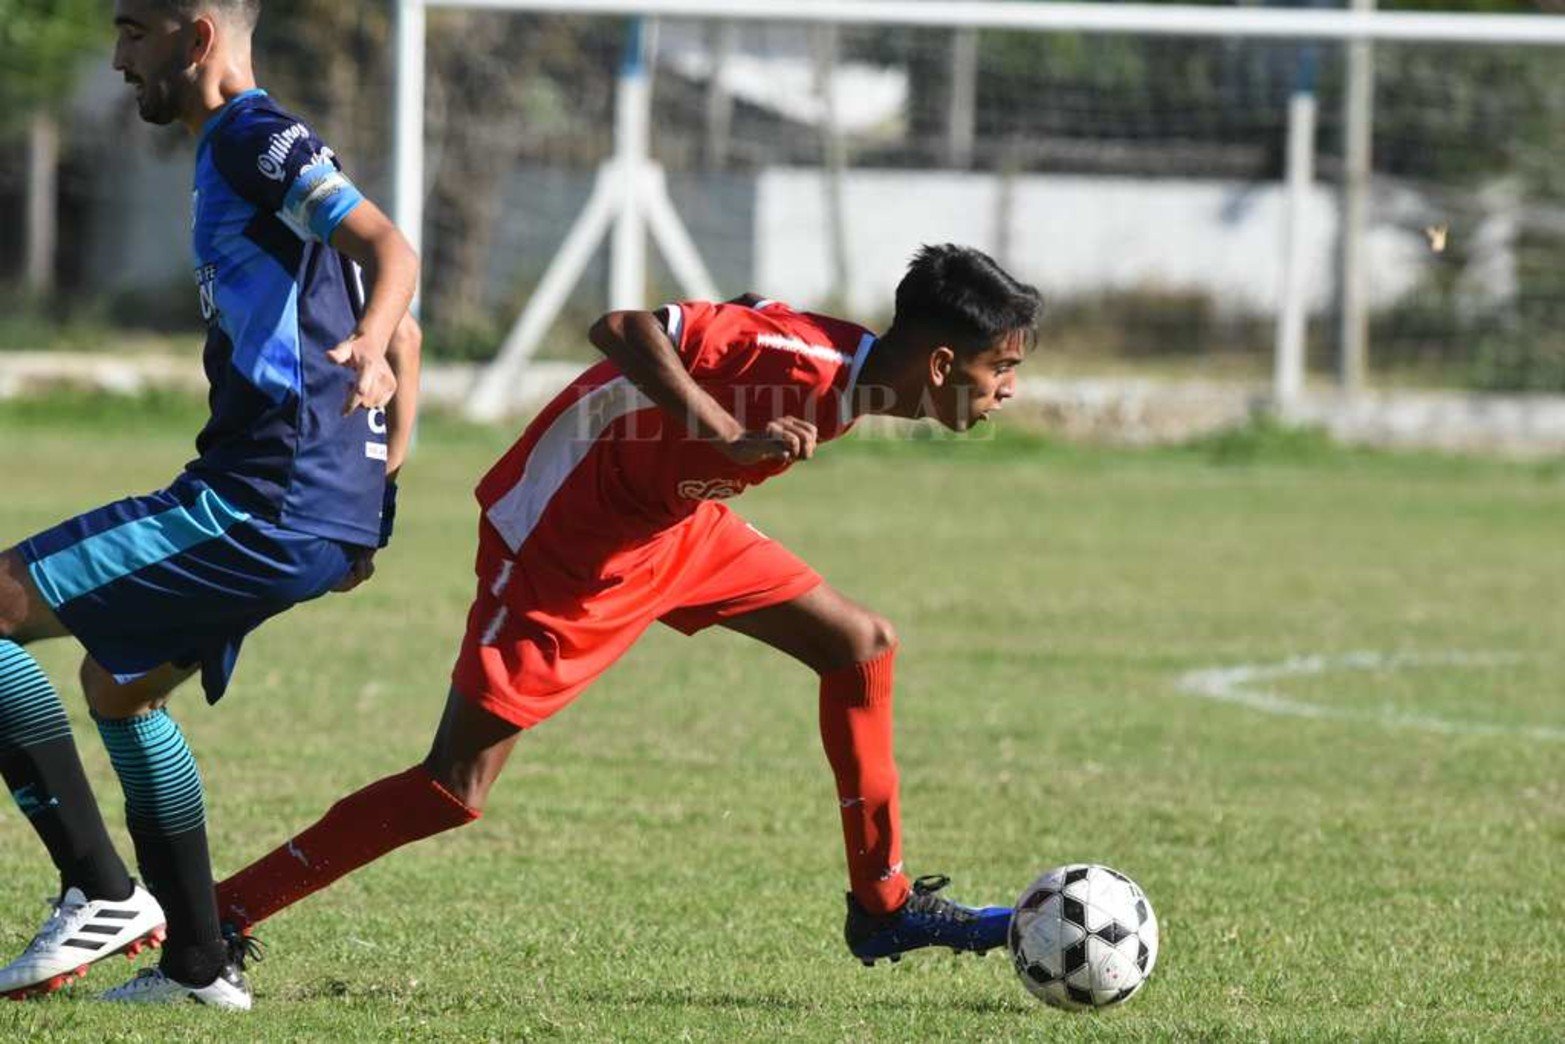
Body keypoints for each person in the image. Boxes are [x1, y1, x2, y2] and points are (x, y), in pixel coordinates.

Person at [213, 244, 1040, 976]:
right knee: (452, 786)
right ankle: (218, 916)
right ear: (939, 364)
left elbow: (743, 320)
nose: (1006, 390)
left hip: (675, 527)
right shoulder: (804, 357)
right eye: (1000, 368)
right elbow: (621, 328)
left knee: (859, 646)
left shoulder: (857, 378)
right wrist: (721, 430)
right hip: (563, 544)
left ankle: (883, 908)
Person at [0, 0, 421, 1010]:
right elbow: (403, 336)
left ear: (196, 36)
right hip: (313, 508)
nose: (116, 59)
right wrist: (374, 500)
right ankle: (197, 965)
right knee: (120, 687)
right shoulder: (234, 151)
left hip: (262, 494)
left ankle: (98, 891)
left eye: (133, 32)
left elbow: (392, 253)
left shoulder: (254, 138)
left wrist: (362, 353)